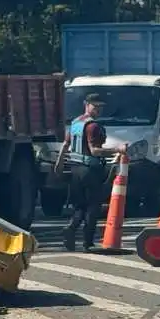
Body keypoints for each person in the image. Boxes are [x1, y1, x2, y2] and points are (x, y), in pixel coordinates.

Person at [54, 93, 125, 251]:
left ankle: (71, 229)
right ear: (86, 104)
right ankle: (88, 242)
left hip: (75, 169)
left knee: (80, 205)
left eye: (100, 107)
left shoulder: (75, 123)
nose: (98, 110)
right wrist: (117, 149)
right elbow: (95, 151)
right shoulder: (93, 127)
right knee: (93, 206)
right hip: (90, 171)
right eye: (95, 106)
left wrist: (58, 165)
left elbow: (66, 145)